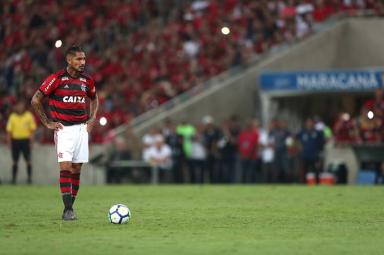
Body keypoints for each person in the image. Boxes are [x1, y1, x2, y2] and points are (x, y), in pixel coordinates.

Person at [31, 45, 99, 220]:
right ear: (69, 60)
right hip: (64, 130)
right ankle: (67, 210)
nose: (82, 62)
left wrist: (92, 118)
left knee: (76, 169)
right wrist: (46, 122)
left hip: (81, 130)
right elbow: (36, 99)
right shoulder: (56, 79)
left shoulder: (87, 80)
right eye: (78, 59)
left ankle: (71, 207)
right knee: (66, 167)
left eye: (84, 59)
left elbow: (94, 98)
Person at [6, 101, 37, 184]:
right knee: (14, 161)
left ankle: (29, 179)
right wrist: (9, 143)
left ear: (24, 106)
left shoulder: (28, 116)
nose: (19, 108)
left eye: (21, 105)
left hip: (25, 141)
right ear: (16, 107)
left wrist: (31, 142)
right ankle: (13, 180)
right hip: (15, 141)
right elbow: (9, 131)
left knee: (28, 161)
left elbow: (32, 131)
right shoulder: (13, 117)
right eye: (18, 106)